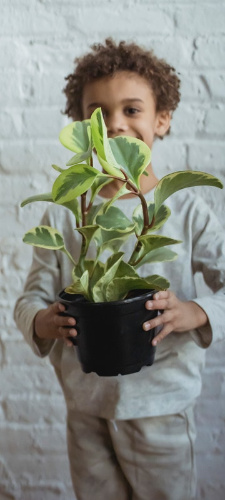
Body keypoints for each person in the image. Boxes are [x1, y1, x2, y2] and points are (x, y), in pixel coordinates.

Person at [14, 39, 225, 500]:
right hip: (85, 404)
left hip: (161, 406)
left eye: (132, 110)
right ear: (81, 126)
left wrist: (195, 312)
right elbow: (29, 300)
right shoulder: (66, 214)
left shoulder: (185, 210)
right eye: (98, 113)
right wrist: (42, 321)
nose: (115, 124)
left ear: (162, 119)